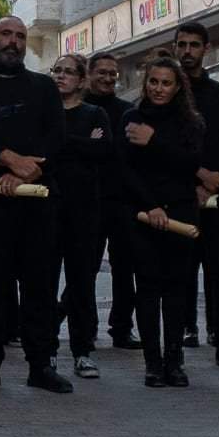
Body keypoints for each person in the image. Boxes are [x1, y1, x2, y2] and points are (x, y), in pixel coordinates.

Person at [0, 16, 70, 393]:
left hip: (36, 205)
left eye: (20, 36)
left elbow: (56, 138)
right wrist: (8, 159)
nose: (14, 42)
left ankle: (41, 366)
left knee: (40, 288)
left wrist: (25, 175)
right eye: (6, 34)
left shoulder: (43, 87)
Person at [118, 54, 206, 388]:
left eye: (166, 83)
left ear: (178, 87)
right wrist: (151, 206)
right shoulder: (132, 117)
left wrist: (153, 141)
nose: (158, 88)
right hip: (142, 213)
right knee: (148, 288)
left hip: (181, 211)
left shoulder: (191, 122)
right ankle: (153, 363)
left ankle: (175, 360)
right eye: (153, 82)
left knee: (176, 288)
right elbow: (125, 169)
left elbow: (190, 164)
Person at [174, 23, 219, 367]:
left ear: (206, 48)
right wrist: (194, 180)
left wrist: (210, 181)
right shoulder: (167, 94)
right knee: (182, 269)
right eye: (182, 44)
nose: (187, 51)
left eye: (194, 44)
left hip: (218, 194)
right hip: (180, 194)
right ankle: (183, 332)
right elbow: (166, 148)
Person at [50, 53, 115, 377]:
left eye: (68, 72)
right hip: (49, 206)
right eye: (57, 71)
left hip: (85, 209)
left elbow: (103, 150)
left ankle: (82, 350)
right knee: (45, 281)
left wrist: (64, 144)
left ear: (81, 79)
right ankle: (45, 349)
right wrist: (81, 143)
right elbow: (43, 149)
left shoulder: (94, 113)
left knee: (81, 283)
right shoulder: (45, 112)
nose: (61, 76)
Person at [85, 50, 138, 348]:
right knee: (87, 266)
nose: (107, 78)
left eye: (112, 73)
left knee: (124, 268)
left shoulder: (127, 110)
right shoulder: (80, 108)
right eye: (101, 72)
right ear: (89, 74)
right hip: (89, 199)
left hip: (122, 199)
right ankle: (86, 327)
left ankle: (122, 328)